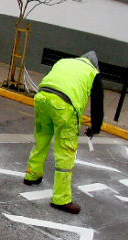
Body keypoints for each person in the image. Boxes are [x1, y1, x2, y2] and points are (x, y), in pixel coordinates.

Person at [23, 51, 104, 214]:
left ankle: (32, 175)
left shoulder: (64, 61)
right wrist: (95, 128)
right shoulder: (93, 73)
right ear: (95, 65)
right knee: (65, 152)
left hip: (42, 98)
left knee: (41, 140)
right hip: (64, 106)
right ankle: (61, 199)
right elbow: (97, 106)